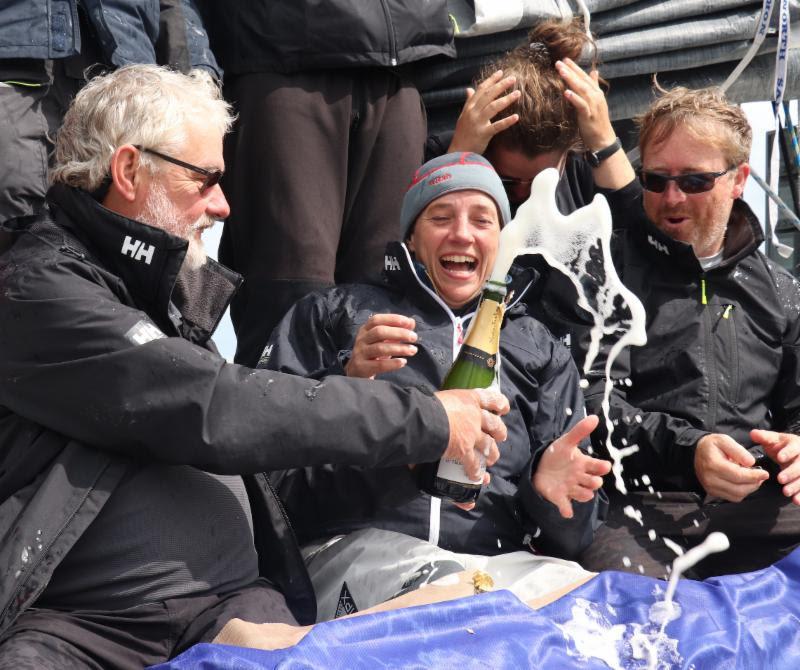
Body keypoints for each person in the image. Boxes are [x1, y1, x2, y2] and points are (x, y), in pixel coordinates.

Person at [0, 65, 510, 668]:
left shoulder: (161, 284)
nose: (223, 205)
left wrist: (356, 402)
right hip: (81, 630)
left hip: (232, 607)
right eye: (206, 179)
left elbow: (257, 428)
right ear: (130, 170)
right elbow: (213, 404)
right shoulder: (38, 291)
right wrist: (422, 416)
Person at [261, 153, 612, 617]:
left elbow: (574, 536)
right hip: (354, 552)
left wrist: (548, 491)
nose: (462, 233)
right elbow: (267, 474)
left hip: (497, 563)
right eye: (441, 217)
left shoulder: (541, 347)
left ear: (500, 240)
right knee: (453, 603)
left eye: (482, 220)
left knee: (594, 611)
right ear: (411, 235)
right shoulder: (334, 313)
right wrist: (346, 385)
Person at [578, 86, 800, 579]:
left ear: (739, 179)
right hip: (639, 504)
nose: (672, 197)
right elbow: (585, 401)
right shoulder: (601, 271)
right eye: (656, 180)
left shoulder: (780, 289)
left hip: (763, 503)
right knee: (622, 615)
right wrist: (689, 452)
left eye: (696, 181)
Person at [196, 0, 456, 367]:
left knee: (386, 303)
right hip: (280, 52)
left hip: (404, 54)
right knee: (292, 304)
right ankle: (280, 424)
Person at [427, 20, 638, 366]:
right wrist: (462, 154)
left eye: (541, 183)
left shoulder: (583, 170)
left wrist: (605, 142)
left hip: (575, 372)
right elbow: (414, 260)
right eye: (508, 183)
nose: (525, 195)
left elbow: (649, 256)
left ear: (565, 158)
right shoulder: (445, 161)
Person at [0, 0, 219, 255]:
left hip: (128, 67)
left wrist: (196, 73)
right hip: (16, 53)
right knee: (14, 214)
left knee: (136, 238)